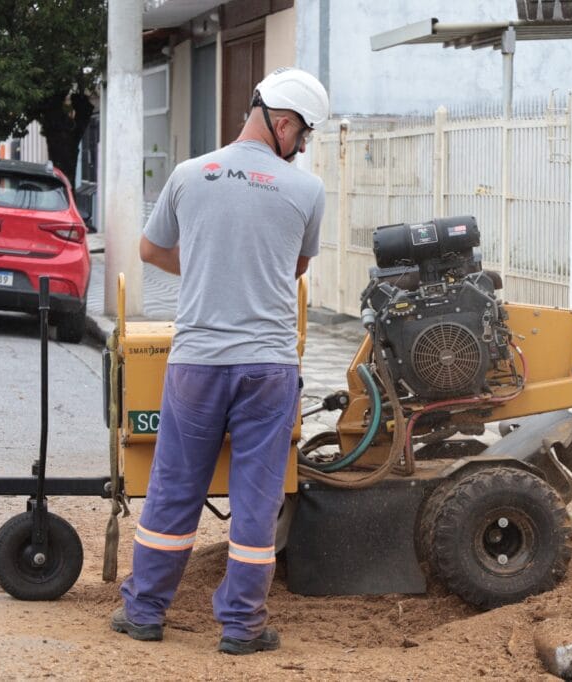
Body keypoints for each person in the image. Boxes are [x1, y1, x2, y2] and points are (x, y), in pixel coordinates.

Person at [109, 67, 329, 655]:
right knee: (256, 498)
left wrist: (204, 262)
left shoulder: (189, 175)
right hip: (269, 368)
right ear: (282, 123)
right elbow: (295, 268)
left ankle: (145, 612)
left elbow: (151, 249)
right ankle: (242, 627)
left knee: (174, 486)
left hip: (198, 363)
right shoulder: (306, 192)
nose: (302, 148)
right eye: (302, 135)